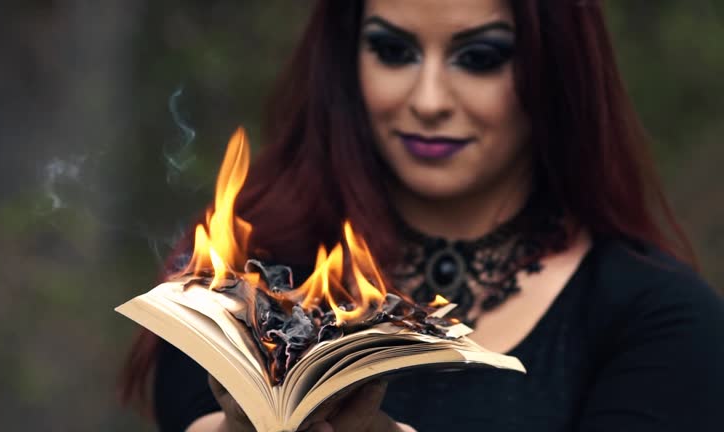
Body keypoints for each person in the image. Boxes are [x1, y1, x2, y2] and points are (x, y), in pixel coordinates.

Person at [121, 1, 724, 431]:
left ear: (555, 69)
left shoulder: (660, 319)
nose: (428, 99)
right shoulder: (243, 277)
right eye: (392, 50)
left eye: (479, 57)